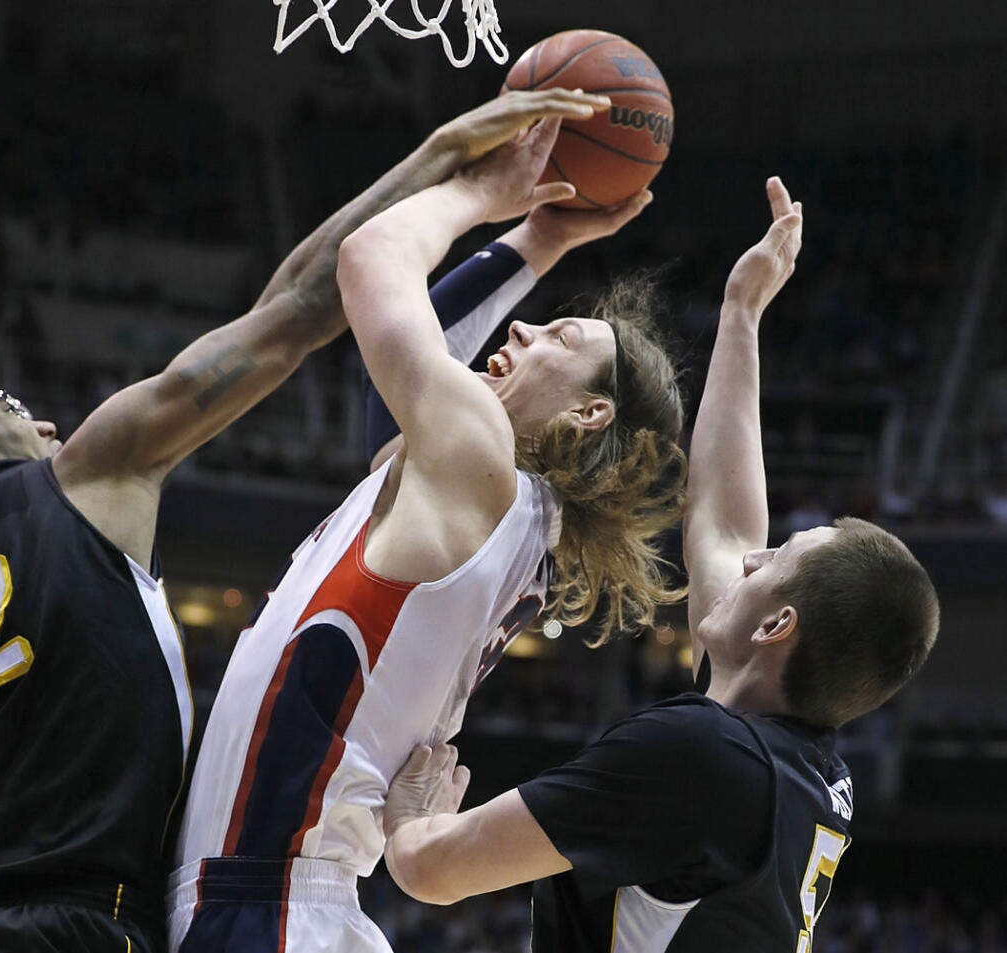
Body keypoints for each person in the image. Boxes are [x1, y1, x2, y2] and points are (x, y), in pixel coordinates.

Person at [0, 90, 607, 953]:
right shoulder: (82, 473)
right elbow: (295, 311)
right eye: (8, 405)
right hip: (87, 919)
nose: (42, 422)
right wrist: (443, 160)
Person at [168, 114, 689, 952]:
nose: (520, 328)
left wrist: (481, 193)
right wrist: (540, 239)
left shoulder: (478, 464)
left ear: (593, 413)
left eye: (559, 336)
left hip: (266, 903)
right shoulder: (483, 498)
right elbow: (415, 364)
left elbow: (371, 260)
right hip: (282, 901)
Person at [380, 177, 941, 953]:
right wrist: (741, 313)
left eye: (774, 561)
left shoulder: (700, 757)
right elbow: (721, 516)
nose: (750, 557)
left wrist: (413, 807)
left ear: (778, 625)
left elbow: (431, 869)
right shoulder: (788, 763)